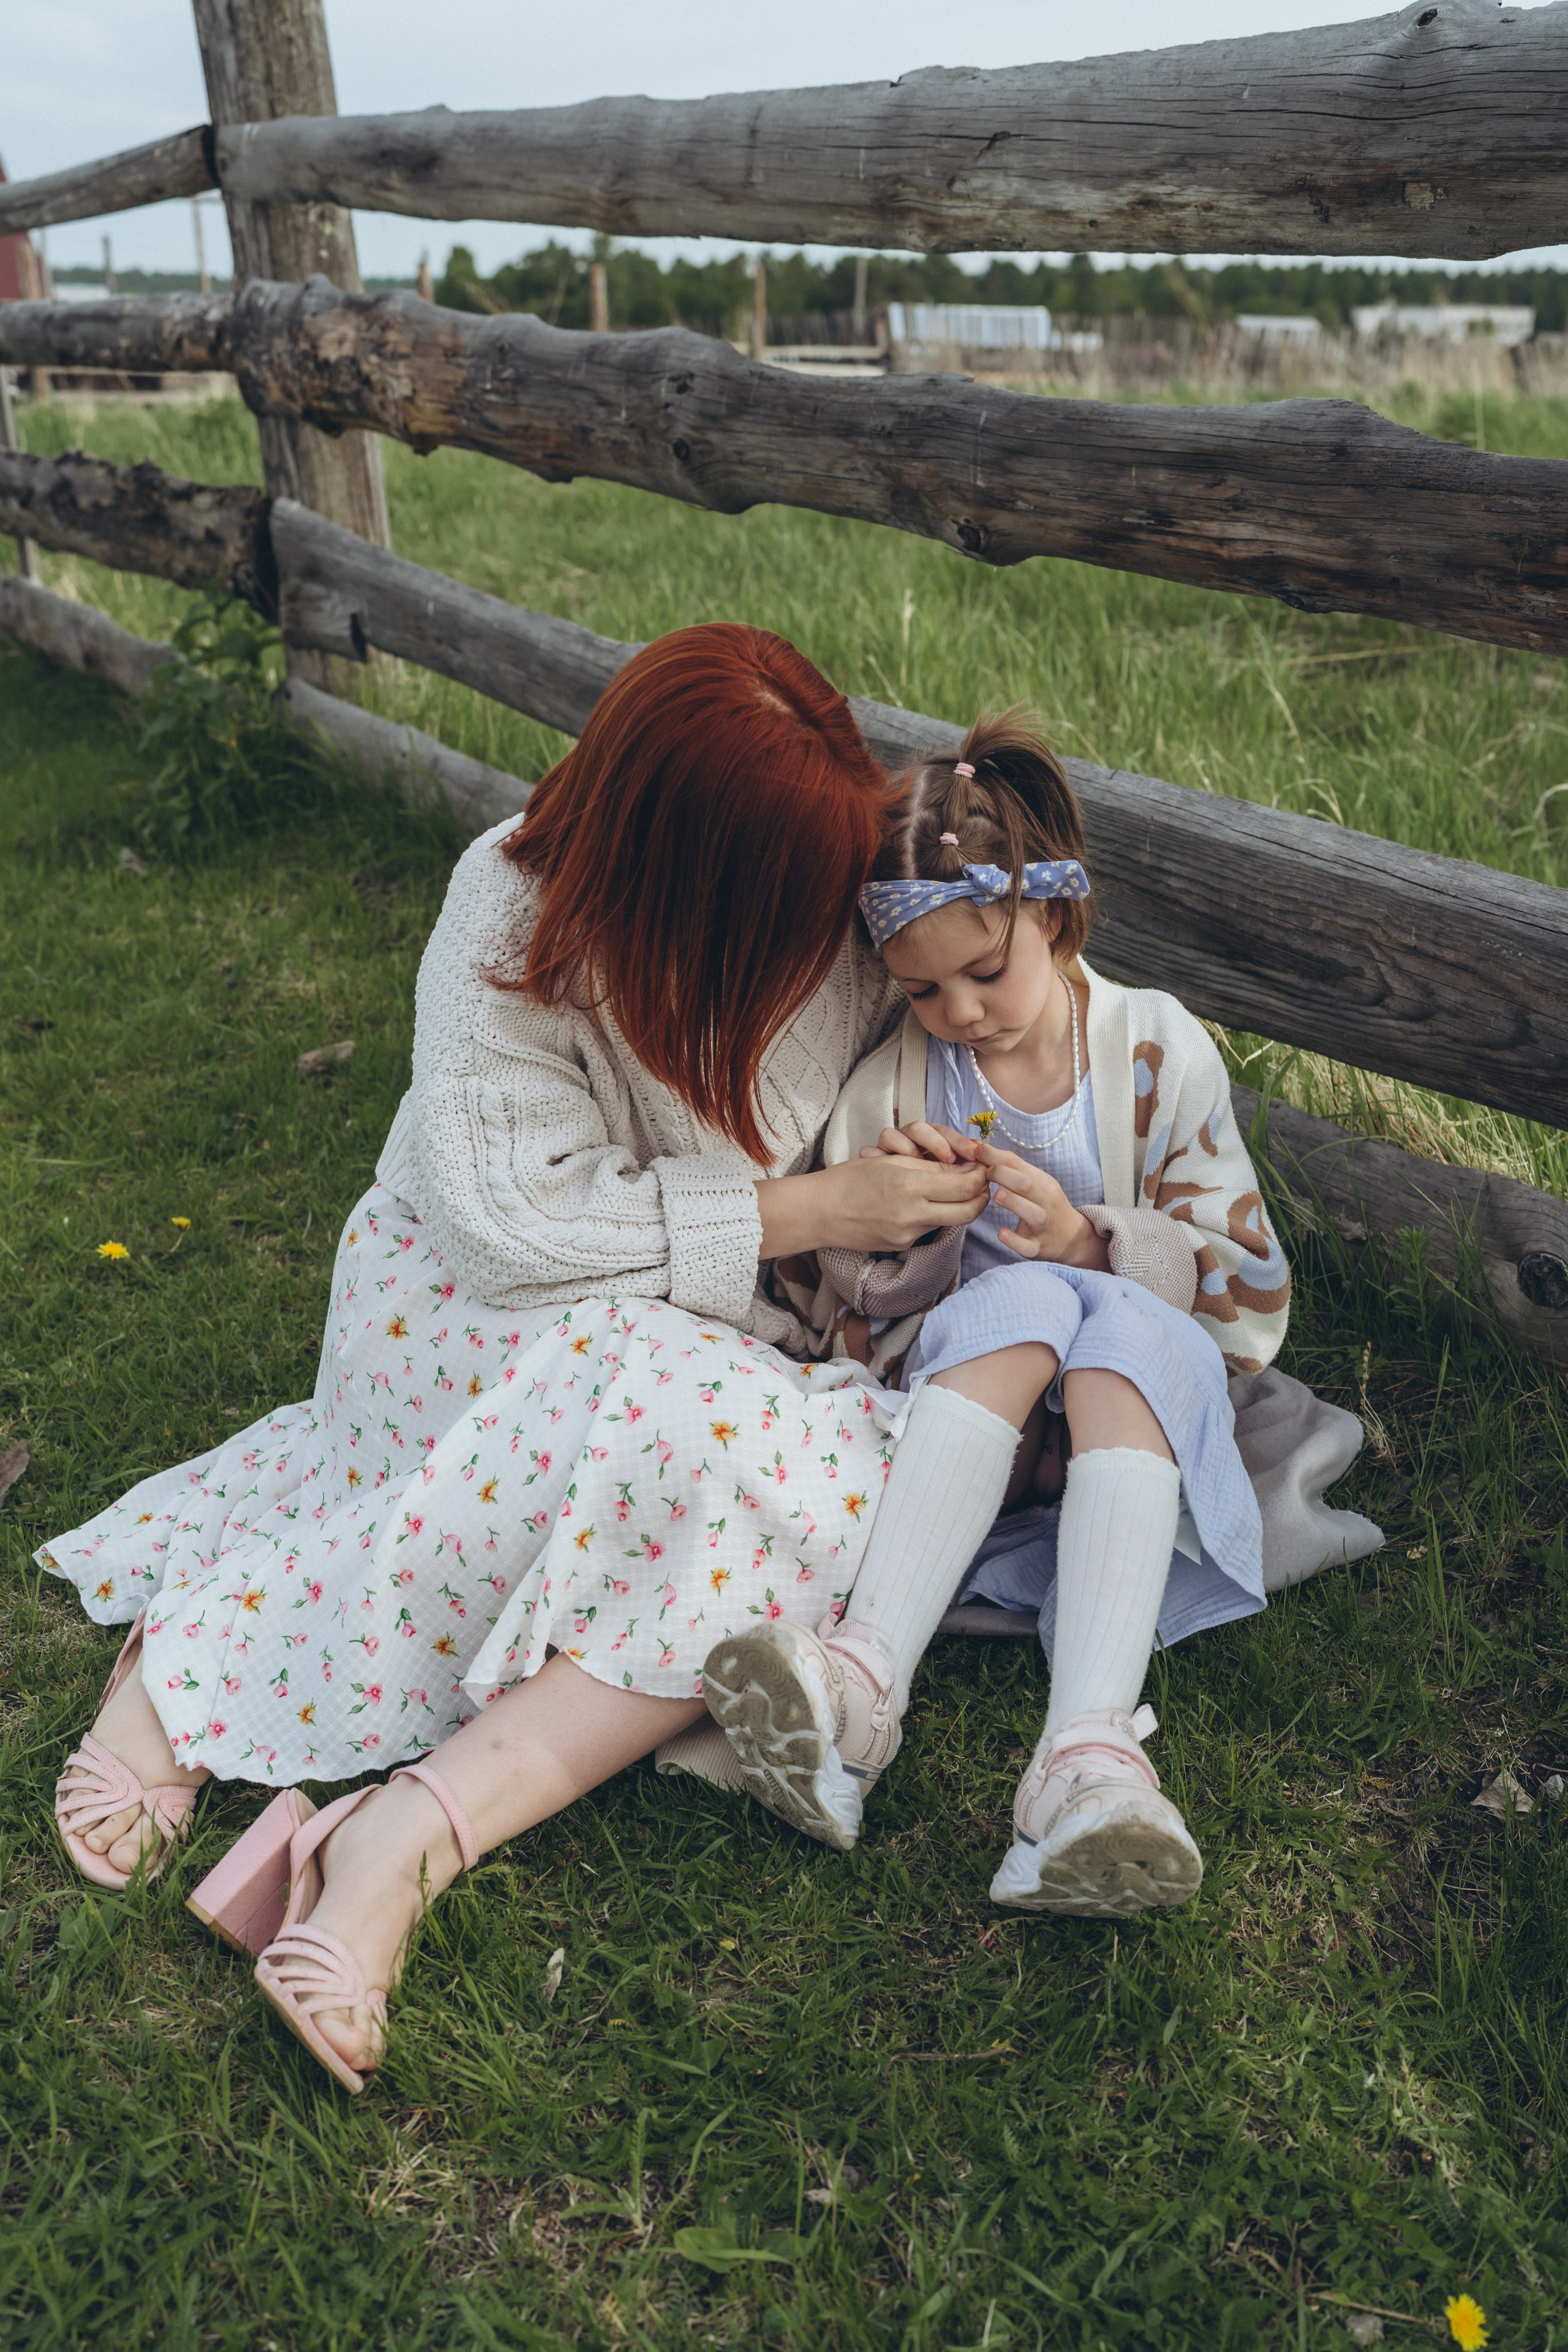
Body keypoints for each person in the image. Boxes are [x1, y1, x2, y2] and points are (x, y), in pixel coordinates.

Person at [40, 624, 996, 2092]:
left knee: (837, 1480)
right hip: (472, 1316)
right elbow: (509, 1231)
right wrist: (808, 1208)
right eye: (785, 893)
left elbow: (982, 1017)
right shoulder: (506, 906)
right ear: (687, 869)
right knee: (668, 1437)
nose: (826, 921)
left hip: (700, 1337)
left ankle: (401, 1830)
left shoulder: (833, 891)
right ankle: (192, 1672)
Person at [700, 711, 1298, 1916]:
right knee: (1024, 1296)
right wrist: (913, 1228)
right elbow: (845, 1308)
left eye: (986, 973)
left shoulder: (1154, 1050)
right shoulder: (899, 1083)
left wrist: (1093, 1242)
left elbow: (1243, 1280)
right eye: (921, 990)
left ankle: (1086, 1760)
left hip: (1125, 1412)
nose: (961, 1013)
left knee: (1108, 1318)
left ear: (1056, 918)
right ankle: (861, 1689)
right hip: (986, 1412)